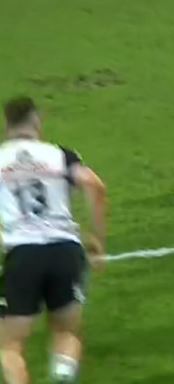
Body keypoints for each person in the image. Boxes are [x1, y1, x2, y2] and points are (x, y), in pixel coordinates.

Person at [0, 97, 108, 384]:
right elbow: (94, 185)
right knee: (66, 331)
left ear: (7, 125)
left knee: (10, 345)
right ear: (37, 121)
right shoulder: (61, 155)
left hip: (23, 255)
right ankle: (62, 376)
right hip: (65, 251)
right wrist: (96, 238)